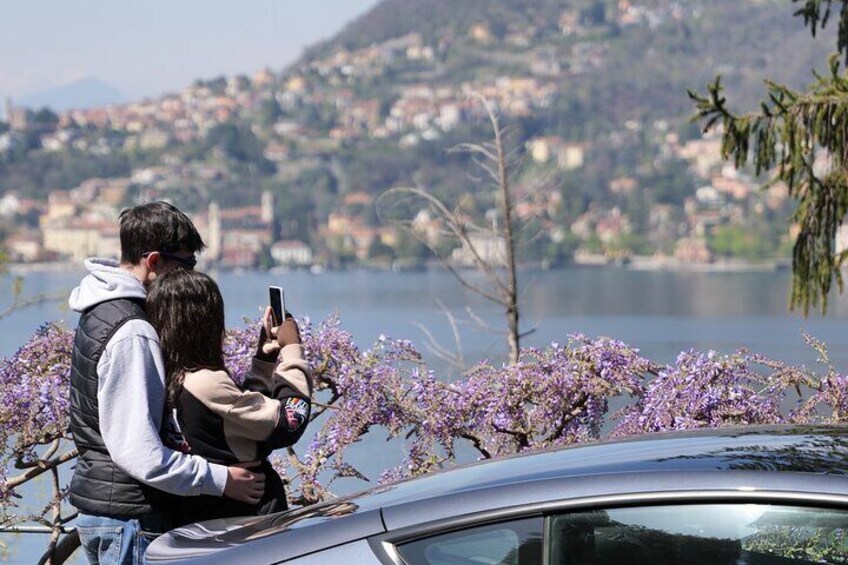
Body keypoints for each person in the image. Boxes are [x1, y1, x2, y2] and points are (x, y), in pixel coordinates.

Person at [68, 202, 266, 565]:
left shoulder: (100, 310)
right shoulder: (134, 331)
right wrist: (222, 480)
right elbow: (139, 451)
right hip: (131, 518)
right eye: (187, 264)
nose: (191, 274)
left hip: (108, 511)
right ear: (155, 262)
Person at [146, 269, 312, 526]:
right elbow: (289, 422)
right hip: (246, 520)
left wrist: (263, 361)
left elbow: (235, 419)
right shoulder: (206, 381)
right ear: (205, 324)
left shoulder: (169, 376)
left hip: (202, 517)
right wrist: (292, 352)